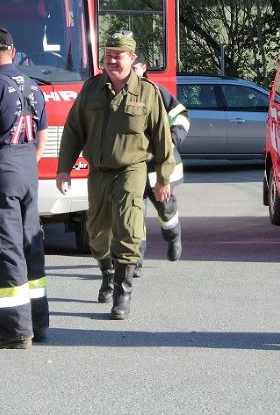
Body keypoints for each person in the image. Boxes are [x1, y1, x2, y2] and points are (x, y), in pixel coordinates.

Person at [56, 31, 175, 320]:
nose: (111, 60)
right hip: (98, 172)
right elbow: (73, 130)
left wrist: (163, 178)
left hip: (132, 169)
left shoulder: (148, 93)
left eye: (118, 56)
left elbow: (162, 137)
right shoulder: (91, 89)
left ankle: (123, 293)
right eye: (108, 55)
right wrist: (63, 168)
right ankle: (107, 273)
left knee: (127, 227)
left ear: (132, 58)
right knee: (97, 233)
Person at [0, 27, 49, 349]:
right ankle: (38, 324)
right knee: (31, 247)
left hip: (0, 174)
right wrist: (28, 163)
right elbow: (43, 135)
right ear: (14, 53)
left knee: (4, 250)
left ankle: (14, 331)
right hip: (28, 169)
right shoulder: (33, 87)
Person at [132, 50, 189, 265]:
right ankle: (134, 261)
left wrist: (173, 139)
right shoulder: (118, 93)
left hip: (158, 165)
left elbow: (181, 116)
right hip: (133, 165)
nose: (131, 74)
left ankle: (173, 236)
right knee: (133, 215)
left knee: (166, 208)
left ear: (144, 68)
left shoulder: (157, 92)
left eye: (135, 69)